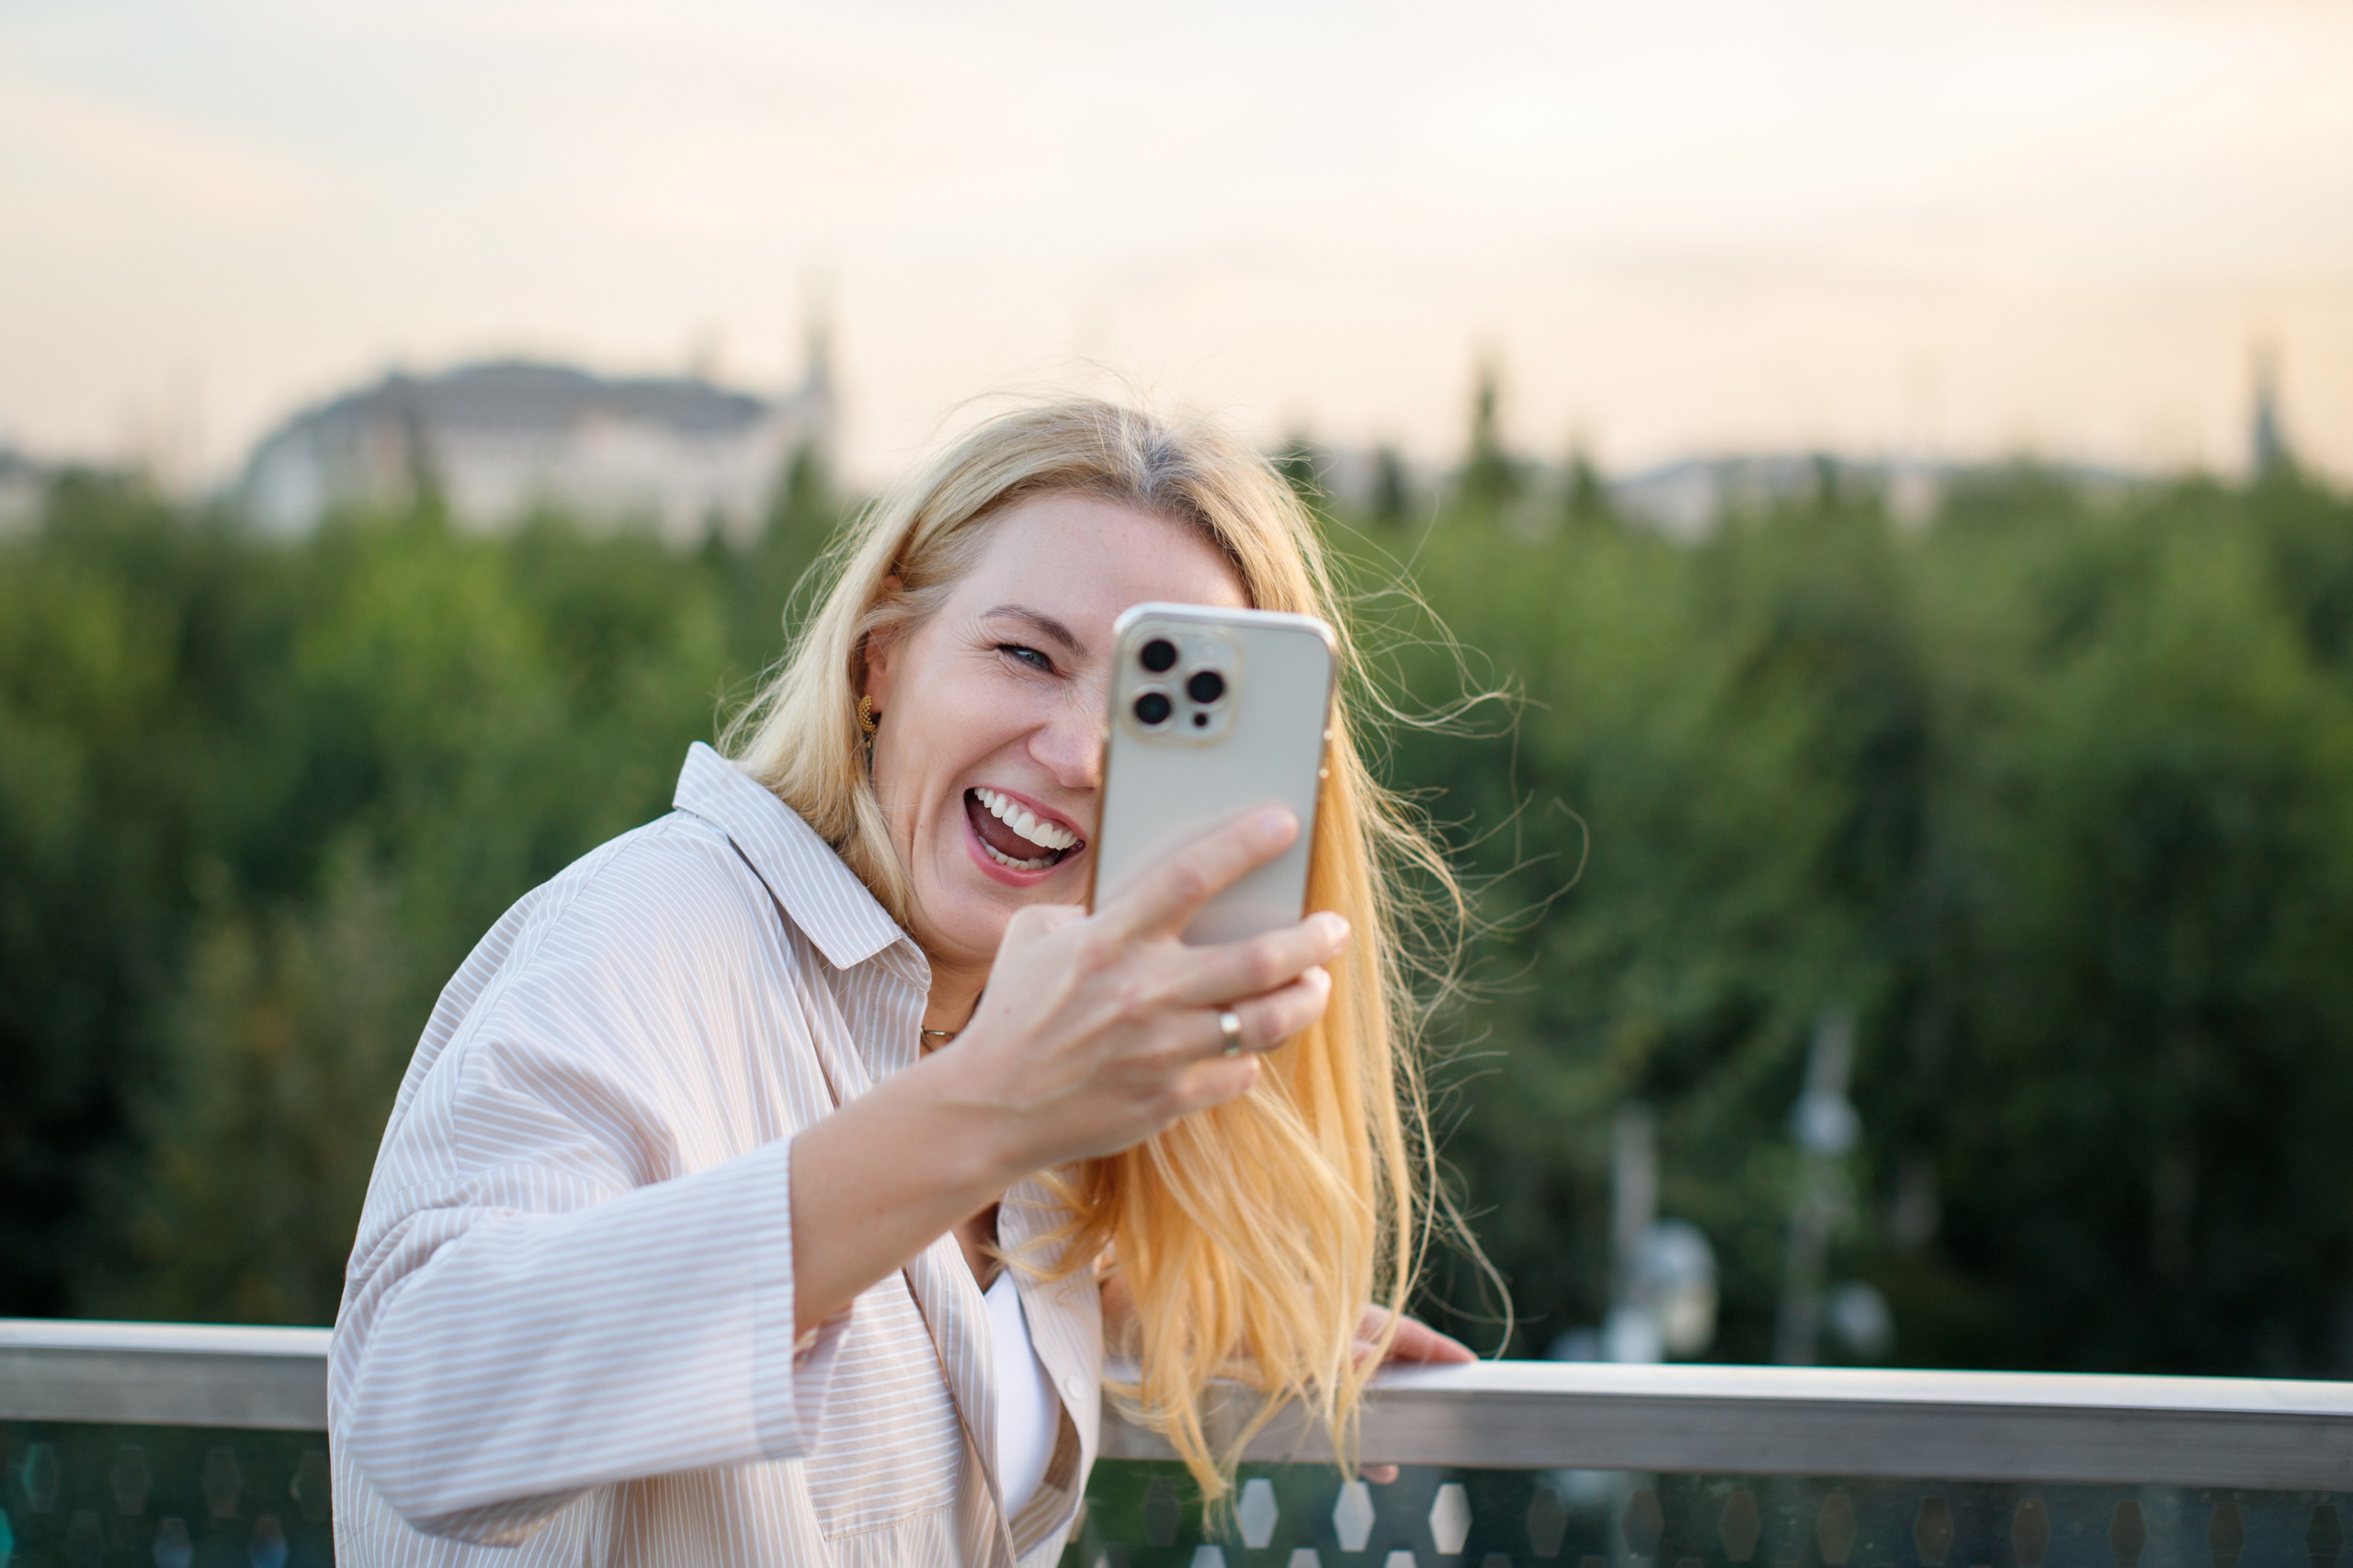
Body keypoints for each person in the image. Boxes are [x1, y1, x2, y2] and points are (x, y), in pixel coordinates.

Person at [328, 399, 1473, 1568]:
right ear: (883, 661)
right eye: (1026, 653)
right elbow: (424, 1410)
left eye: (1150, 707)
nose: (1079, 753)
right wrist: (986, 1110)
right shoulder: (652, 926)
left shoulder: (999, 1039)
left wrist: (1195, 1321)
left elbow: (910, 1329)